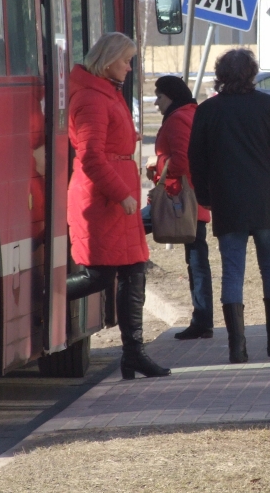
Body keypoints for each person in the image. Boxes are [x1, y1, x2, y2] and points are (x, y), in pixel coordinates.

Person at [188, 49, 270, 364]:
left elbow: (196, 160)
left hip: (228, 202)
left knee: (232, 272)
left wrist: (205, 196)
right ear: (252, 74)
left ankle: (237, 347)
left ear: (220, 75)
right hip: (267, 202)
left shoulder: (207, 111)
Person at [65, 32, 170, 380]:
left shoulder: (105, 92)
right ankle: (44, 301)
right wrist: (121, 193)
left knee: (133, 270)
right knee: (99, 275)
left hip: (115, 198)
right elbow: (91, 156)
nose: (129, 66)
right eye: (126, 60)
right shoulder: (93, 98)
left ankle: (134, 354)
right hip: (102, 201)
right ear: (108, 60)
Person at [146, 75, 214, 340]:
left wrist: (157, 163)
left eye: (159, 97)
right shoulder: (190, 113)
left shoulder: (176, 120)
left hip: (177, 202)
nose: (156, 103)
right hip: (194, 200)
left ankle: (203, 320)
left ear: (171, 96)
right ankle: (203, 319)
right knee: (198, 260)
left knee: (129, 229)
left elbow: (183, 162)